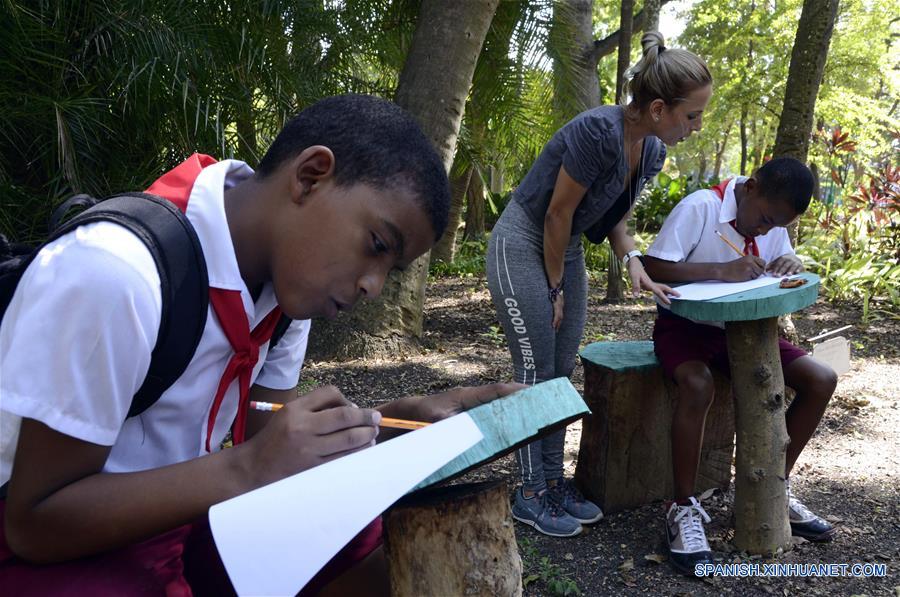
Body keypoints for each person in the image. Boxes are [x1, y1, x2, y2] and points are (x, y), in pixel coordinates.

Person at [0, 94, 522, 595]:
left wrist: (396, 423)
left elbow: (272, 443)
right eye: (377, 246)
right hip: (51, 542)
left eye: (391, 267)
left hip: (169, 518)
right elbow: (34, 522)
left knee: (343, 528)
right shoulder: (118, 277)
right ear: (311, 176)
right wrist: (243, 467)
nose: (373, 285)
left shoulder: (283, 294)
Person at [485, 31, 712, 538]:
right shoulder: (597, 132)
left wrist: (631, 257)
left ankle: (550, 480)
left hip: (560, 247)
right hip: (525, 239)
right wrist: (554, 288)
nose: (696, 127)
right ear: (658, 108)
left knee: (560, 369)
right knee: (534, 364)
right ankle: (529, 493)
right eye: (691, 116)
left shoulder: (650, 152)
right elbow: (556, 214)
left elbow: (612, 219)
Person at [642, 157, 839, 575]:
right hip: (686, 326)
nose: (766, 231)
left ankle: (774, 486)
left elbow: (782, 261)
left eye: (776, 226)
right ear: (750, 188)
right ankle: (682, 507)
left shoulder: (773, 222)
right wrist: (720, 270)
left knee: (822, 379)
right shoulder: (701, 208)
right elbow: (652, 267)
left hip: (747, 333)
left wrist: (792, 264)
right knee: (698, 385)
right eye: (765, 219)